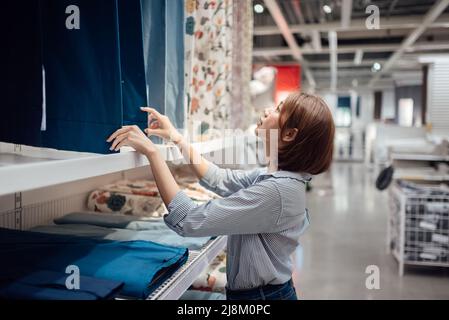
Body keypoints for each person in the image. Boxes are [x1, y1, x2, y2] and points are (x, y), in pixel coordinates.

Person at [107, 92, 335, 300]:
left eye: (277, 110)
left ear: (288, 134)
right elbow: (220, 178)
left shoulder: (277, 191)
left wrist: (152, 153)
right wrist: (176, 138)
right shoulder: (276, 178)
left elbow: (189, 219)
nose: (267, 111)